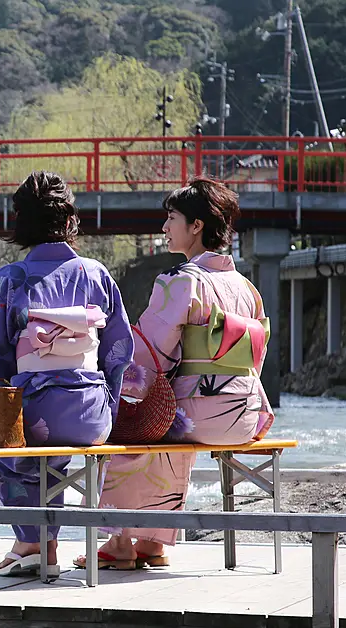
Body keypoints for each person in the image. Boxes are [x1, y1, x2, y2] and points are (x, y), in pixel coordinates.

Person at [75, 177, 273, 570]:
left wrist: (109, 384)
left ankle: (120, 542)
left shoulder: (179, 282)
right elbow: (254, 358)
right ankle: (154, 542)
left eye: (172, 218)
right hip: (245, 414)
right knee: (173, 417)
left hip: (203, 415)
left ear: (196, 225)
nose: (165, 227)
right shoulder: (247, 287)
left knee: (134, 426)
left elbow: (149, 357)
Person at [0, 171, 132, 577]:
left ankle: (35, 542)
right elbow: (119, 351)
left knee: (6, 446)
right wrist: (106, 401)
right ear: (69, 220)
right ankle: (43, 543)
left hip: (34, 411)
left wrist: (12, 388)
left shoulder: (9, 280)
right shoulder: (96, 274)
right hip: (92, 415)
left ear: (22, 221)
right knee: (54, 436)